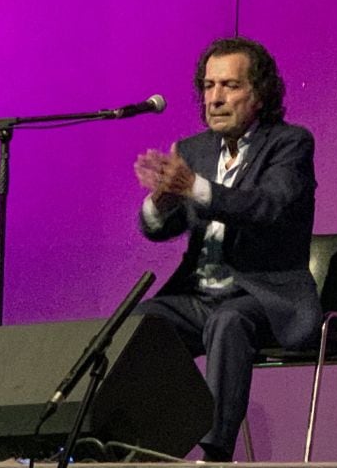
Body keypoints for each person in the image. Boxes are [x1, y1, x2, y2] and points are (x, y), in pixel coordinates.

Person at [133, 37, 320, 462]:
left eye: (230, 86)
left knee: (229, 321)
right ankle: (142, 446)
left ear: (260, 95)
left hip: (265, 296)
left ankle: (215, 454)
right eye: (208, 85)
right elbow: (163, 228)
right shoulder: (195, 149)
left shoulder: (290, 144)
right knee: (139, 325)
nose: (215, 98)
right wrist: (160, 203)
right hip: (200, 297)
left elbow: (268, 206)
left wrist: (193, 187)